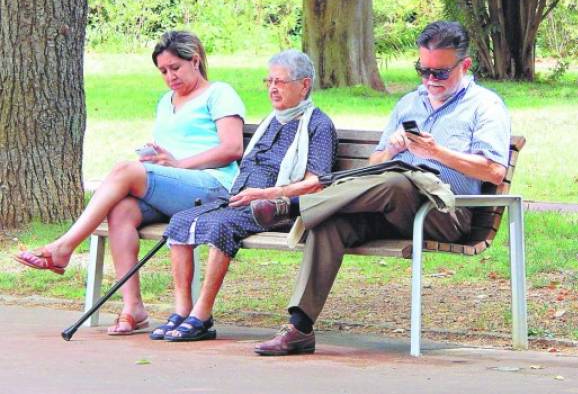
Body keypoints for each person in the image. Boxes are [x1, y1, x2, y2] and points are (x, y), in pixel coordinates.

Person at [252, 21, 511, 356]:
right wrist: (390, 150)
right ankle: (299, 329)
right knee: (331, 223)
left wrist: (436, 152)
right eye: (423, 70)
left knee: (397, 181)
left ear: (465, 65)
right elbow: (376, 163)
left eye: (440, 73)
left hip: (444, 211)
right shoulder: (409, 102)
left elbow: (493, 170)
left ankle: (295, 206)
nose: (430, 80)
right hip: (388, 204)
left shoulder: (484, 106)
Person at [15, 30, 246, 335]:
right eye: (163, 71)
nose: (169, 77)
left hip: (212, 187)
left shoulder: (219, 93)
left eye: (175, 68)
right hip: (176, 189)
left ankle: (64, 246)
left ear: (195, 60)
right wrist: (158, 160)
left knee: (126, 169)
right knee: (121, 210)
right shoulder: (166, 101)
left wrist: (178, 165)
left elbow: (233, 148)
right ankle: (132, 308)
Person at [148, 49, 337, 342]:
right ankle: (183, 310)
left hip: (277, 208)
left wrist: (266, 193)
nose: (273, 88)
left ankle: (202, 315)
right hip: (239, 200)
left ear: (304, 85)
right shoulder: (270, 121)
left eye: (281, 82)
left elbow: (316, 183)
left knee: (222, 227)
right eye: (269, 81)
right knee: (181, 221)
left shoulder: (318, 125)